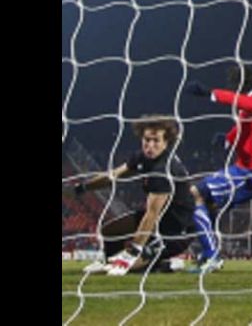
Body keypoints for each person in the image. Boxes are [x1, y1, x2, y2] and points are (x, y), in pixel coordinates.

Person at [67, 116, 195, 276]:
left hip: (177, 230)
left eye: (156, 141)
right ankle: (114, 260)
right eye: (147, 140)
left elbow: (151, 214)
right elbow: (113, 175)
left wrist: (132, 252)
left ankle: (162, 263)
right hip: (162, 219)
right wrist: (82, 187)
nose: (150, 145)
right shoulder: (142, 157)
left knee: (131, 266)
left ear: (166, 143)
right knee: (110, 231)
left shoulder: (163, 169)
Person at [185, 65, 252, 273]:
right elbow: (244, 126)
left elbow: (242, 102)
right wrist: (227, 140)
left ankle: (212, 256)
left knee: (196, 193)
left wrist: (209, 93)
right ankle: (208, 254)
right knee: (208, 203)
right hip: (251, 171)